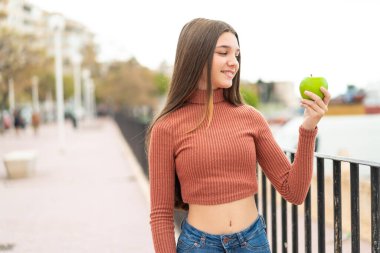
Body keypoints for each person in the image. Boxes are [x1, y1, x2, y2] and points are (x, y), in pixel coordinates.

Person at [145, 18, 330, 253]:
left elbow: (294, 192)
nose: (234, 62)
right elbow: (160, 215)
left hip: (252, 242)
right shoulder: (167, 127)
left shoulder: (250, 117)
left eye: (237, 55)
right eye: (224, 53)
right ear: (196, 56)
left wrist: (308, 129)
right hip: (198, 246)